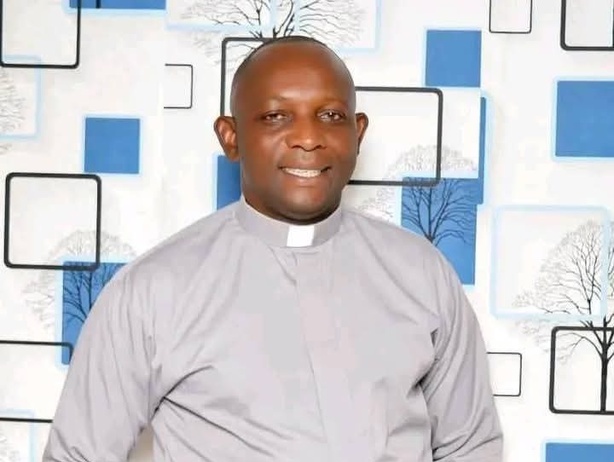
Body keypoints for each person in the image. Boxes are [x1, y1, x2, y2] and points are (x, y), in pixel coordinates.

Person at [43, 35, 503, 461]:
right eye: (275, 117)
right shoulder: (152, 291)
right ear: (231, 137)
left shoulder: (422, 274)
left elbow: (471, 446)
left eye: (331, 116)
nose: (308, 137)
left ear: (358, 133)